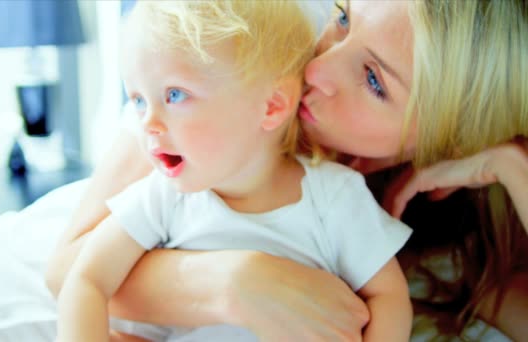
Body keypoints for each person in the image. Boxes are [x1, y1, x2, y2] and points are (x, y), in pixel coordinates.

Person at [0, 0, 526, 341]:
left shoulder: (412, 222)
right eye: (342, 17)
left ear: (449, 132)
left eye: (372, 80)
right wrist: (238, 282)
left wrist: (509, 164)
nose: (318, 68)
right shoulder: (228, 91)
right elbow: (65, 271)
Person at [55, 1, 412, 341]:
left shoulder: (334, 196)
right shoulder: (163, 196)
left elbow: (389, 298)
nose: (147, 123)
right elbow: (84, 279)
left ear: (271, 106)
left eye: (175, 95)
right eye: (137, 100)